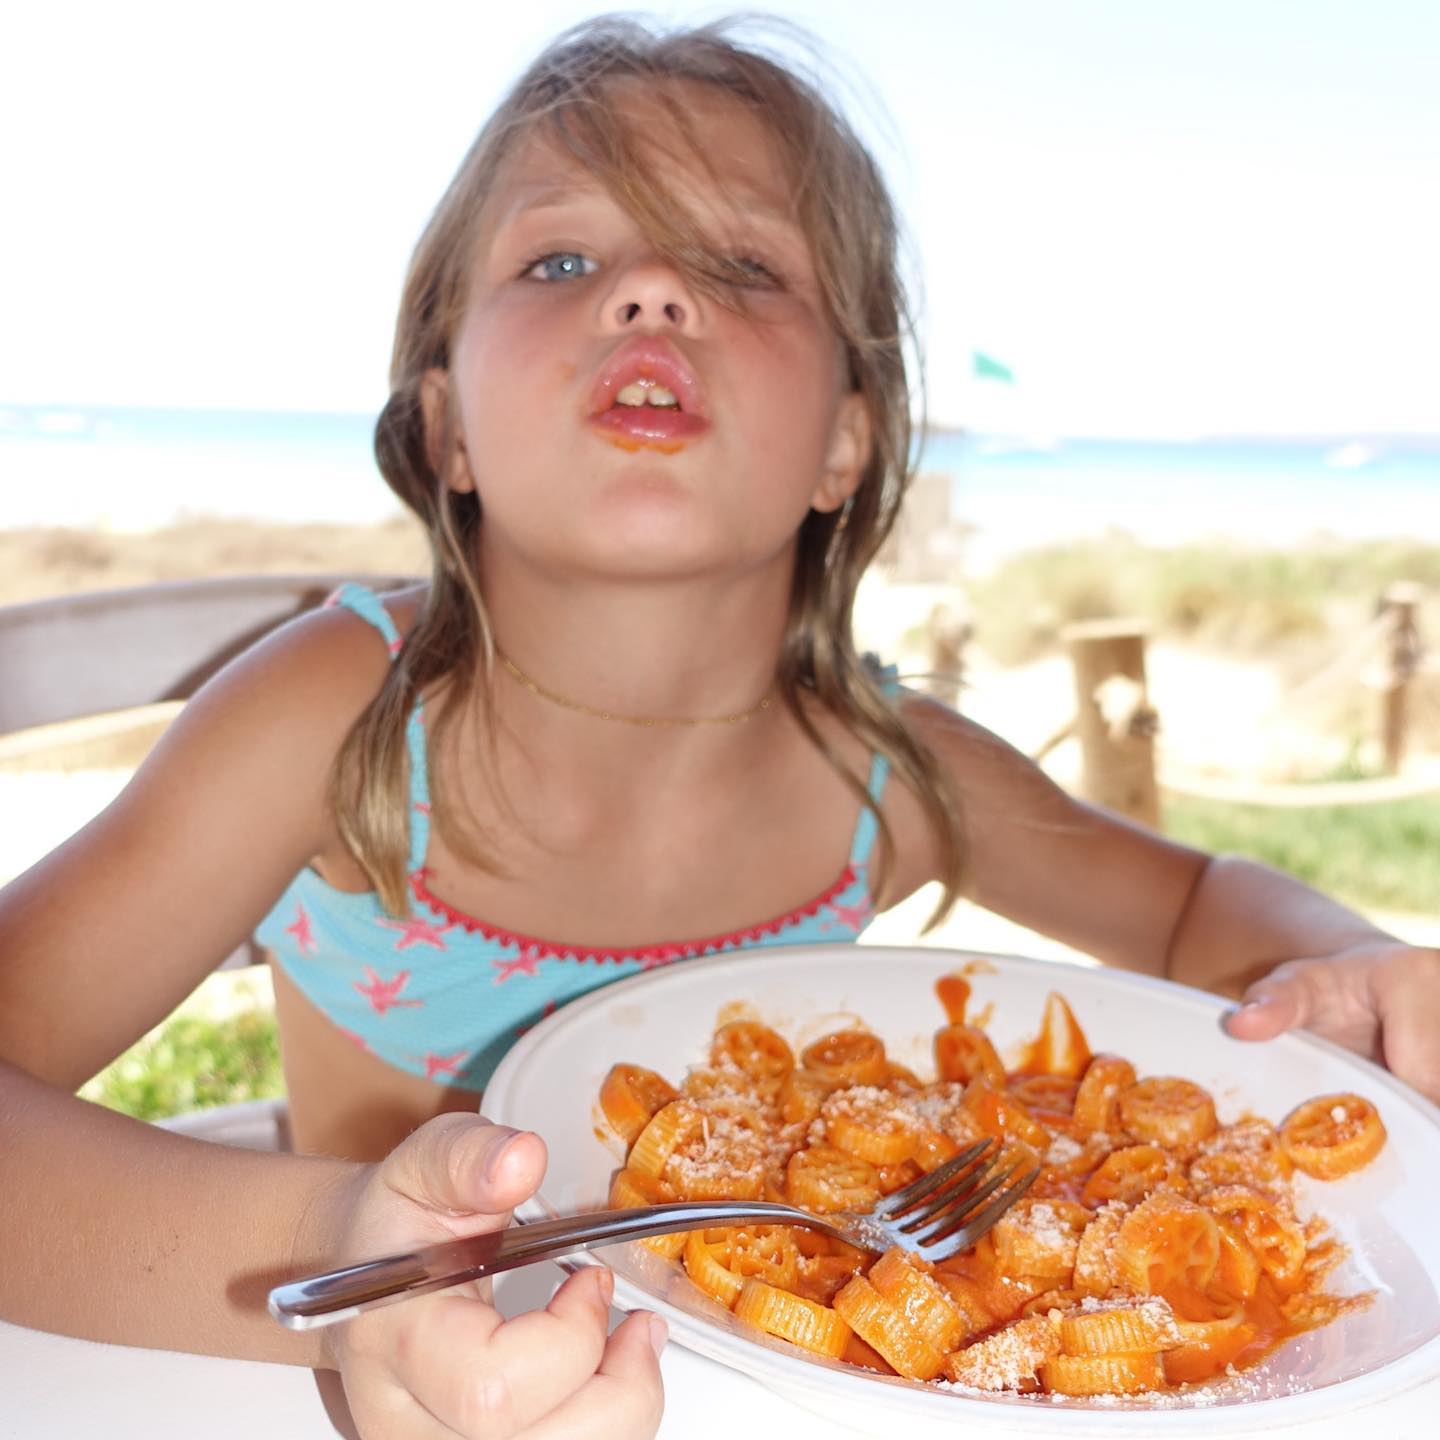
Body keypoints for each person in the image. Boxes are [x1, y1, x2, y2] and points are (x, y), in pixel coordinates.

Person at [2, 14, 1437, 1440]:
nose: (645, 293)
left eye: (742, 265)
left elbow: (1196, 907)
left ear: (844, 444)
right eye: (561, 259)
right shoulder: (336, 718)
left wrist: (1340, 959)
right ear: (445, 423)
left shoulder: (890, 770)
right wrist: (351, 1254)